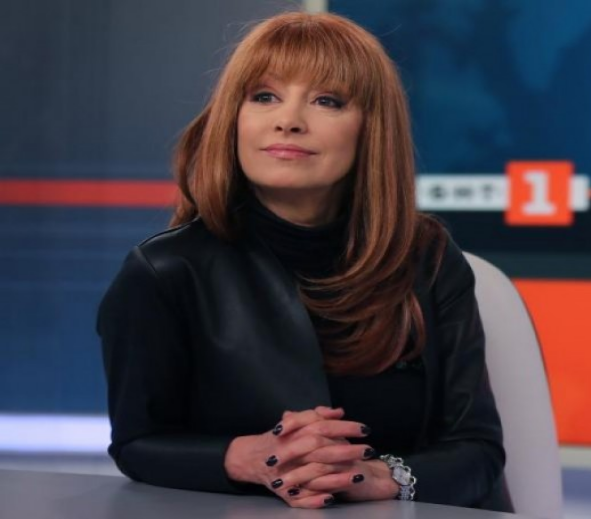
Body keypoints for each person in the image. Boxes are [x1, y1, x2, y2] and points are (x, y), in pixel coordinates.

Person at [97, 11, 510, 511]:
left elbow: (478, 450)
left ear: (370, 129)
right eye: (264, 96)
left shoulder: (427, 256)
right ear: (233, 117)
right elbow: (138, 443)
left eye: (326, 101)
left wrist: (379, 477)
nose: (288, 120)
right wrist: (246, 458)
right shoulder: (163, 271)